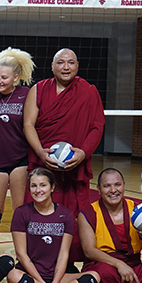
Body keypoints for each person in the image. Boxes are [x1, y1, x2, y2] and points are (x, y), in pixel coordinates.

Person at [23, 48, 105, 262]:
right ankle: (37, 262)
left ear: (77, 66)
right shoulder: (39, 89)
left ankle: (69, 264)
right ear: (52, 66)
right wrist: (41, 152)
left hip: (74, 170)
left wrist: (83, 153)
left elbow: (97, 127)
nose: (66, 67)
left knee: (75, 218)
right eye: (60, 62)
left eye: (70, 62)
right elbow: (28, 124)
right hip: (43, 167)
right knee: (38, 215)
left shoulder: (88, 91)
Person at [8, 168, 100, 283]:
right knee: (13, 276)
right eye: (33, 186)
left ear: (52, 187)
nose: (38, 190)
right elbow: (21, 255)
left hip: (58, 276)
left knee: (94, 276)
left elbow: (64, 254)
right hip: (31, 277)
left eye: (43, 185)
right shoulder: (21, 213)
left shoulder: (66, 215)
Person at [0, 47, 34, 262]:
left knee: (21, 211)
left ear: (16, 78)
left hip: (20, 159)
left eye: (3, 77)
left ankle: (23, 254)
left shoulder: (26, 94)